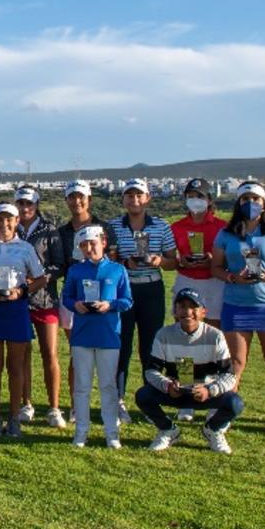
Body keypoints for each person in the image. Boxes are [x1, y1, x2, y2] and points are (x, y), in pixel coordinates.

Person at [210, 182, 265, 438]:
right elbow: (216, 268)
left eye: (256, 199)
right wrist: (233, 277)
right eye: (245, 199)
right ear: (238, 203)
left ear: (264, 203)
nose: (251, 203)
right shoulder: (226, 234)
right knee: (235, 363)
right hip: (237, 306)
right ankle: (225, 416)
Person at [0, 203, 47, 438]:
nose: (4, 224)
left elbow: (40, 278)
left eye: (9, 219)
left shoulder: (25, 248)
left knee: (16, 367)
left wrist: (21, 291)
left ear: (16, 221)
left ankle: (13, 418)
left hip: (16, 308)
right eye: (0, 219)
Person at [106, 179, 178, 427]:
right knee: (121, 346)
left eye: (139, 195)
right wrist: (125, 263)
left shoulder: (161, 226)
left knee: (150, 347)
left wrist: (160, 261)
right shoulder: (113, 226)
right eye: (130, 195)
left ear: (147, 198)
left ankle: (150, 400)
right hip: (123, 290)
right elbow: (109, 260)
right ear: (123, 199)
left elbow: (173, 261)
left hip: (151, 289)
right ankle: (118, 401)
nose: (134, 200)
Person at [136, 288, 243, 455]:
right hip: (176, 392)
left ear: (203, 312)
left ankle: (213, 430)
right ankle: (167, 430)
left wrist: (209, 390)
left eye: (193, 307)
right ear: (175, 311)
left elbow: (229, 375)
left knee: (235, 403)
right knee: (143, 396)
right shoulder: (164, 334)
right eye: (182, 306)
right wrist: (167, 386)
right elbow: (151, 371)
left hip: (205, 392)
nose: (187, 311)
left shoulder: (215, 336)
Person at [61, 225, 132, 449]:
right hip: (82, 335)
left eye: (92, 243)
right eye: (84, 245)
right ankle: (81, 432)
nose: (89, 248)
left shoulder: (117, 270)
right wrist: (76, 305)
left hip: (108, 336)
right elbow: (66, 297)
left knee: (108, 386)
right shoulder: (76, 271)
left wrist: (109, 305)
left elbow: (127, 301)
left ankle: (112, 432)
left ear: (103, 242)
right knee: (81, 386)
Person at [167, 178, 227, 422]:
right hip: (187, 280)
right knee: (185, 342)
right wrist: (182, 261)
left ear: (209, 200)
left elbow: (228, 259)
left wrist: (212, 259)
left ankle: (212, 395)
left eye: (200, 196)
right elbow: (171, 259)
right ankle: (187, 396)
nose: (195, 200)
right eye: (191, 196)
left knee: (213, 341)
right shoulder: (177, 227)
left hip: (213, 283)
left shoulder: (222, 227)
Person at [15, 184, 67, 429]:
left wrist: (39, 280)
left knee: (50, 354)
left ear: (37, 205)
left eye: (29, 203)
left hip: (45, 300)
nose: (25, 207)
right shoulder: (11, 228)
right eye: (21, 203)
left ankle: (54, 407)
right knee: (22, 355)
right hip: (18, 300)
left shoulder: (49, 229)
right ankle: (26, 404)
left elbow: (59, 265)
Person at [52, 180, 106, 416]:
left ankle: (109, 404)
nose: (77, 201)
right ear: (66, 200)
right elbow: (60, 265)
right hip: (73, 297)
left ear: (89, 199)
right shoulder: (62, 232)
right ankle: (77, 406)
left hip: (103, 298)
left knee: (104, 354)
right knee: (78, 354)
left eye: (81, 196)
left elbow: (112, 261)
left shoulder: (104, 227)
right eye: (72, 197)